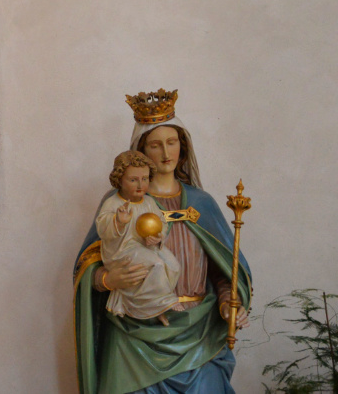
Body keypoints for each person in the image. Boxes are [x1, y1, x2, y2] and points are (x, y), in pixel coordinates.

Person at [74, 89, 253, 394]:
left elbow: (224, 270)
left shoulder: (202, 203)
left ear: (183, 148)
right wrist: (107, 278)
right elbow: (87, 267)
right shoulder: (117, 203)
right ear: (142, 152)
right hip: (133, 337)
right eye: (155, 145)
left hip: (198, 333)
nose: (166, 153)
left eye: (172, 143)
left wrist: (227, 302)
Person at [97, 151, 182, 326]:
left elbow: (162, 223)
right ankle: (160, 303)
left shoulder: (149, 202)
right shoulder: (113, 203)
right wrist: (118, 222)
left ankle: (153, 306)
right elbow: (102, 229)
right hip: (122, 252)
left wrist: (157, 238)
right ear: (120, 179)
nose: (140, 185)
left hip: (146, 247)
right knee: (156, 264)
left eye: (145, 179)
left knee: (173, 265)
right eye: (133, 180)